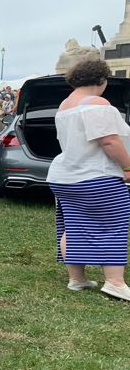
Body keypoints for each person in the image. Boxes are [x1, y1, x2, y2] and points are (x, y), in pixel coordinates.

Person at [46, 59, 130, 301]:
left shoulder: (64, 106)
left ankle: (77, 279)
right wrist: (127, 167)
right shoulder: (98, 104)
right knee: (113, 225)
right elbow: (109, 141)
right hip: (96, 176)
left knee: (73, 224)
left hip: (65, 176)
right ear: (102, 80)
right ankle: (115, 282)